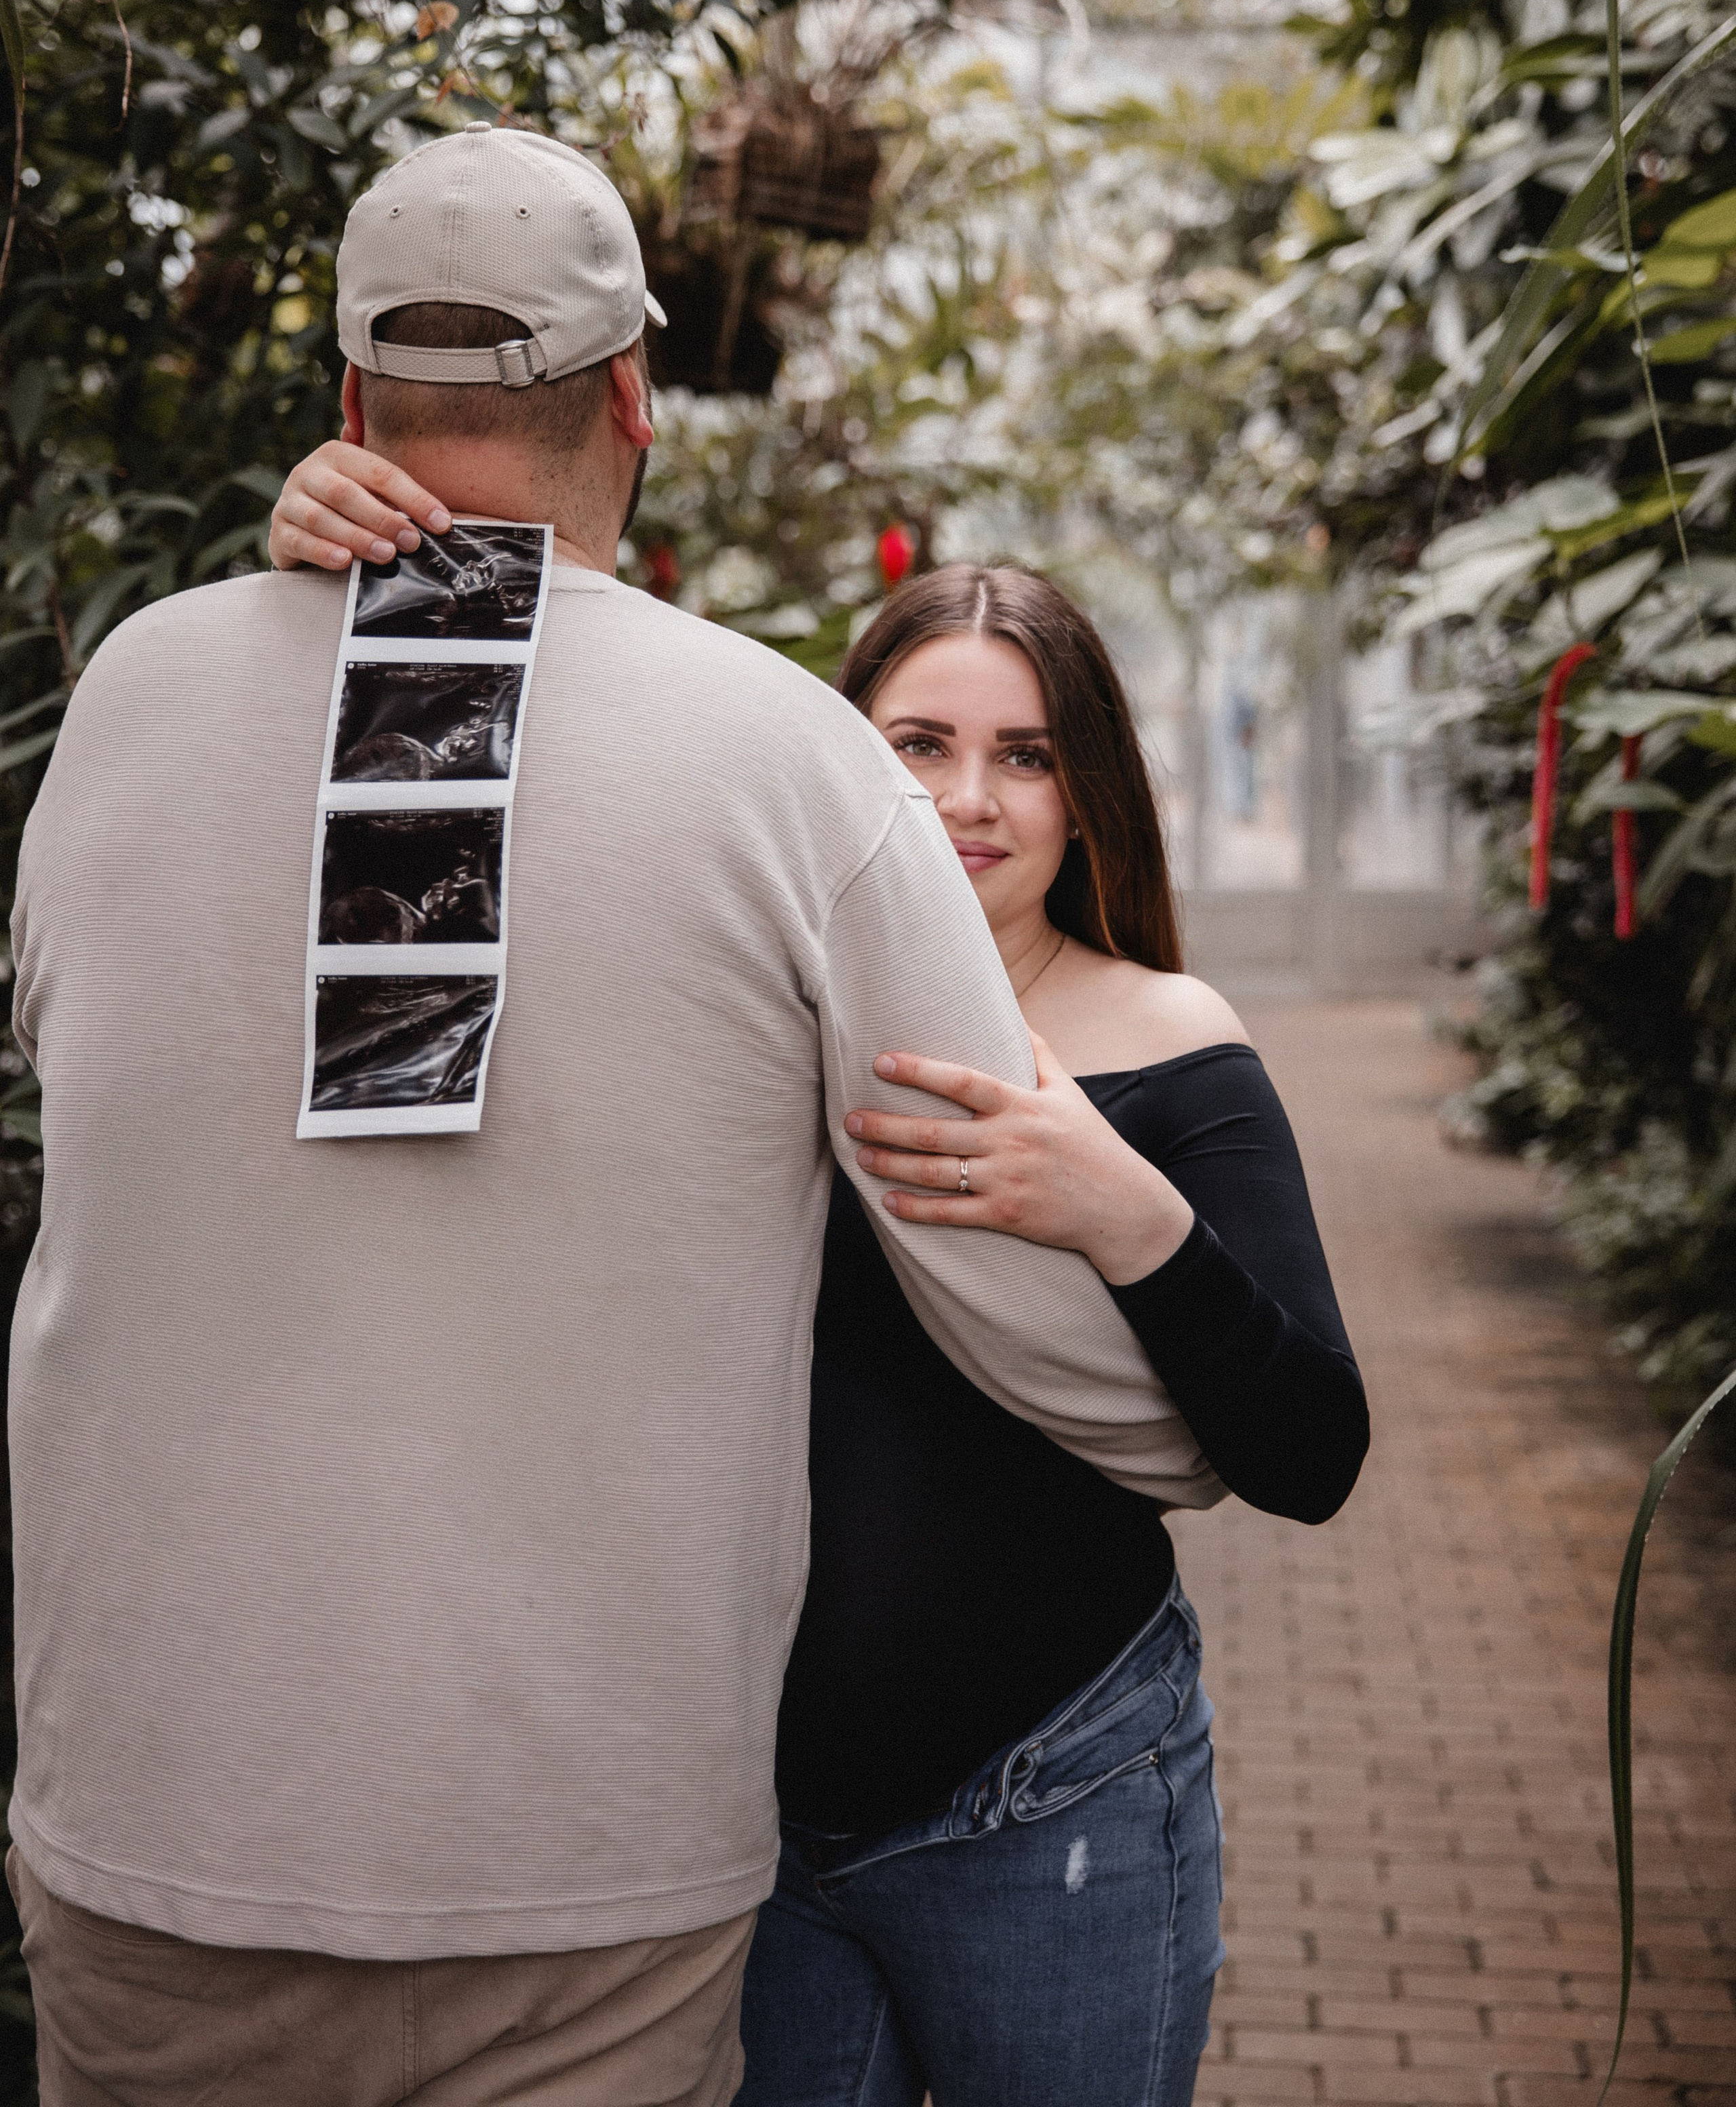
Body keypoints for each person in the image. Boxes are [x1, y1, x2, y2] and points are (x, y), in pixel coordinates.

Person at [8, 124, 1227, 2107]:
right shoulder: (786, 761)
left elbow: (83, 1035)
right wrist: (1187, 1408)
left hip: (147, 1835)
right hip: (575, 1880)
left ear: (347, 403)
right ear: (636, 395)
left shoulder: (134, 696)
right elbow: (997, 1272)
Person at [272, 422, 1368, 2103]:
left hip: (1055, 1795)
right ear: (834, 763)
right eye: (917, 742)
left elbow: (1311, 1454)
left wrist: (1114, 1203)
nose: (963, 801)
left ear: (1087, 793)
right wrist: (367, 583)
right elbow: (492, 850)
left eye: (1022, 755)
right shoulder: (736, 1021)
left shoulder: (1171, 1043)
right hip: (739, 1812)